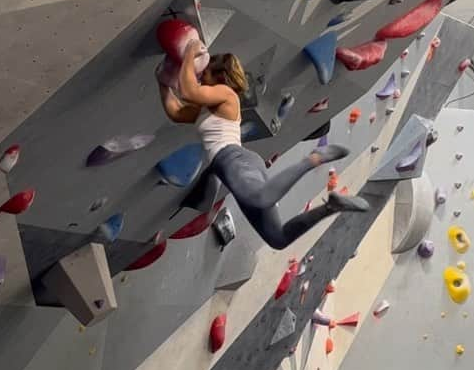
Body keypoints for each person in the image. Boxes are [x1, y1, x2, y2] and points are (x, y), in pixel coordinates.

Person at [158, 38, 369, 251]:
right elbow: (177, 112)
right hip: (237, 164)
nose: (201, 78)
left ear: (220, 78)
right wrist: (163, 84)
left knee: (262, 198)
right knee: (278, 239)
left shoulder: (227, 95)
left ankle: (314, 159)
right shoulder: (207, 107)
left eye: (205, 74)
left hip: (232, 160)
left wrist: (190, 52)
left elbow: (188, 91)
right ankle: (331, 207)